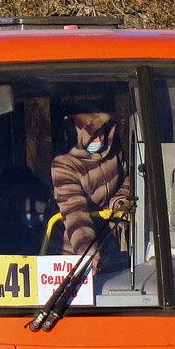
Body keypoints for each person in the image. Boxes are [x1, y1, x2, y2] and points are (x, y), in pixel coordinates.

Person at [51, 109, 131, 263]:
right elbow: (75, 211)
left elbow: (126, 180)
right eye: (93, 135)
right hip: (73, 248)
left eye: (102, 132)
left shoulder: (114, 153)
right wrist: (88, 253)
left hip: (110, 242)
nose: (100, 138)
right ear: (79, 134)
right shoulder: (64, 164)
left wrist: (119, 203)